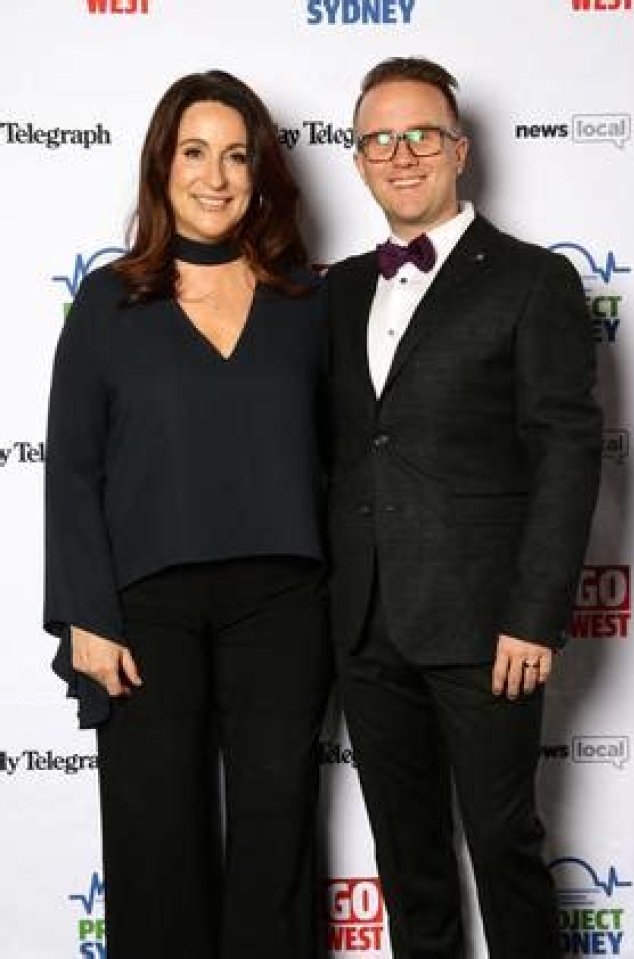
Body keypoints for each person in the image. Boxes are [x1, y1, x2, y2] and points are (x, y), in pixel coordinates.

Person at [44, 70, 332, 959]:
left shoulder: (308, 301)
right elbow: (72, 468)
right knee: (154, 840)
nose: (216, 176)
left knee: (278, 836)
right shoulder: (108, 301)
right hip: (146, 609)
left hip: (283, 603)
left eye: (236, 156)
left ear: (260, 173)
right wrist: (85, 612)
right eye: (195, 152)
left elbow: (348, 457)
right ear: (161, 167)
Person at [326, 58, 602, 959]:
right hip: (366, 624)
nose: (401, 154)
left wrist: (535, 614)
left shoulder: (533, 279)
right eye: (379, 139)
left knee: (504, 848)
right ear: (359, 160)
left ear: (459, 149)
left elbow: (566, 453)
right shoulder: (335, 292)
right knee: (407, 863)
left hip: (488, 629)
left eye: (421, 134)